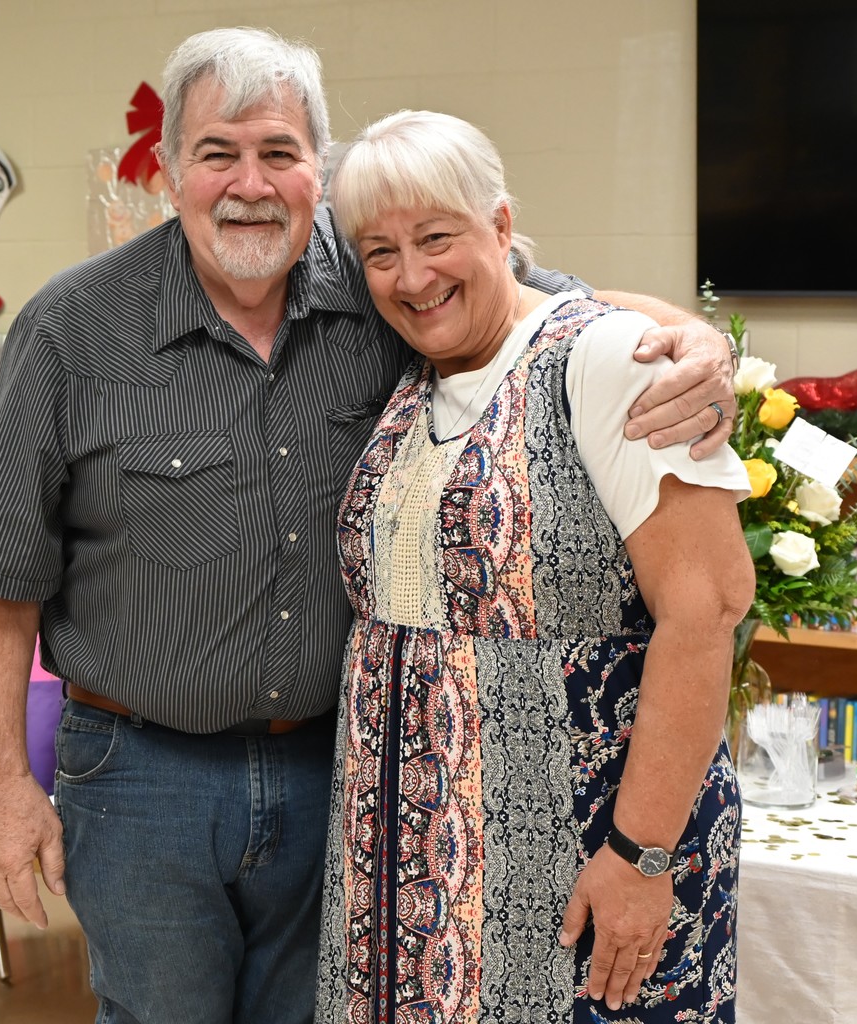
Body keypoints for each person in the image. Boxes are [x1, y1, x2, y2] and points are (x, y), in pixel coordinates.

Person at [0, 28, 740, 1024]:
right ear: (169, 170)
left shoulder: (378, 286)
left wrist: (700, 341)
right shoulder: (71, 330)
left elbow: (547, 308)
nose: (248, 182)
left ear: (317, 166)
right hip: (142, 779)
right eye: (216, 152)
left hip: (346, 776)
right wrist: (5, 787)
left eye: (278, 152)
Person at [314, 109, 755, 1023]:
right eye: (381, 252)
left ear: (503, 228)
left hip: (583, 863)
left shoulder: (604, 357)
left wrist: (641, 858)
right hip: (407, 880)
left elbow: (708, 609)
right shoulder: (413, 379)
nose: (412, 275)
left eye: (438, 239)